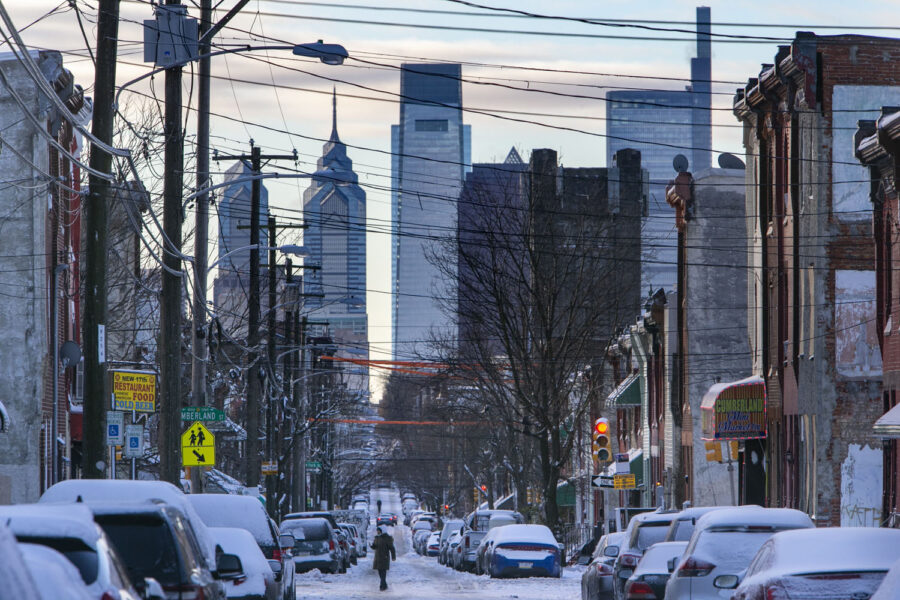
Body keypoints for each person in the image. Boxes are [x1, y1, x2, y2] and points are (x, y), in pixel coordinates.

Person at [371, 526, 396, 591]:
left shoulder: (387, 538)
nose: (378, 532)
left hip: (384, 557)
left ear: (382, 531)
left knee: (383, 572)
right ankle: (384, 585)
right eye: (377, 531)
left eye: (379, 531)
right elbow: (375, 546)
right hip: (378, 557)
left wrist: (393, 557)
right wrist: (372, 546)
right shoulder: (377, 538)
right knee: (380, 571)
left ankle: (382, 585)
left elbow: (392, 548)